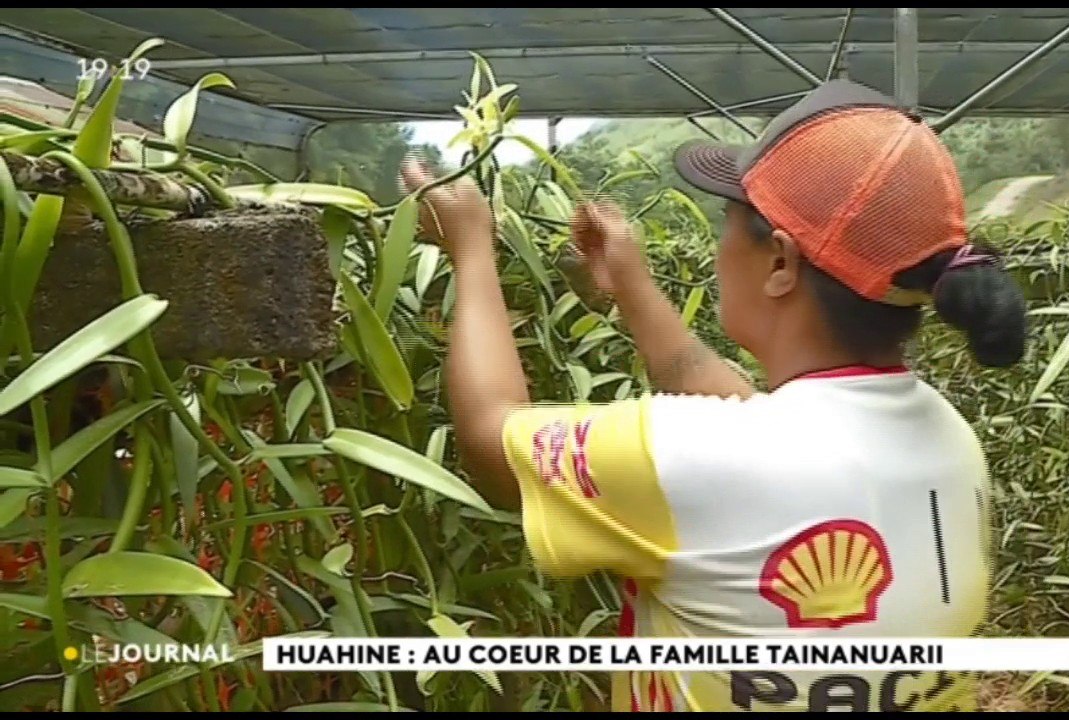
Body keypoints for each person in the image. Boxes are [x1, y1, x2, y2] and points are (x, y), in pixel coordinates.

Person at [400, 78, 1027, 712]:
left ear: (781, 262)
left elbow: (489, 432)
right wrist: (630, 285)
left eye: (727, 219)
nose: (718, 244)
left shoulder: (704, 455)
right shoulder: (946, 434)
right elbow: (755, 431)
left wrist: (472, 250)